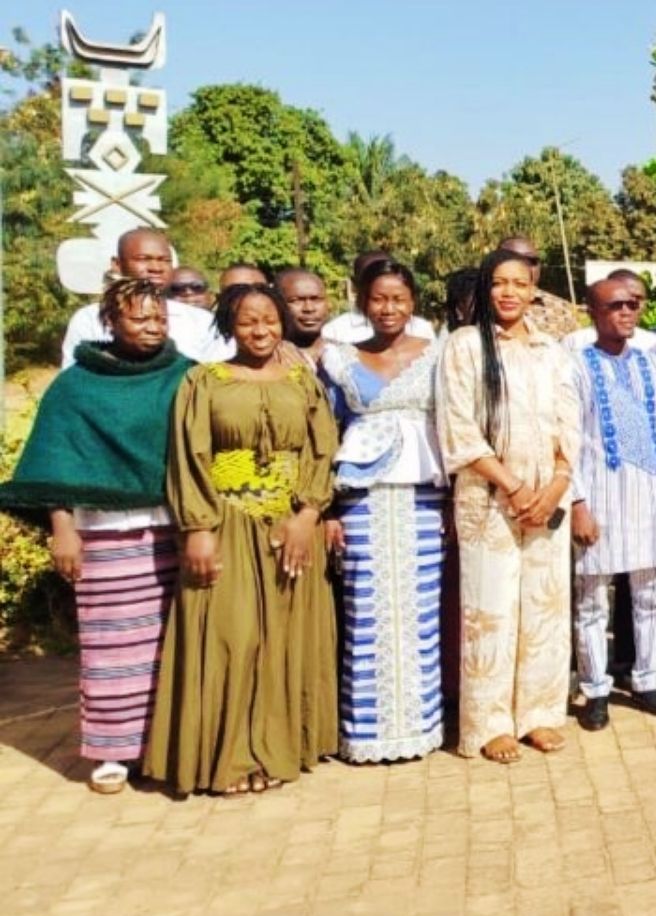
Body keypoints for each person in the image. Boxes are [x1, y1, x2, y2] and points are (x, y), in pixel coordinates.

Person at [144, 283, 340, 795]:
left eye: (270, 320)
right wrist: (199, 529)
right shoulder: (202, 382)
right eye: (248, 321)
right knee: (234, 639)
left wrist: (306, 516)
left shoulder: (304, 382)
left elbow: (322, 453)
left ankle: (278, 751)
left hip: (292, 528)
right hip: (227, 524)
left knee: (283, 639)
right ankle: (228, 757)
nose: (261, 330)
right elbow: (189, 459)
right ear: (229, 325)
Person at [0, 278, 195, 794]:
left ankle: (170, 744)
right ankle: (112, 753)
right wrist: (62, 530)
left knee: (175, 643)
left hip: (176, 530)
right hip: (104, 537)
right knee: (113, 646)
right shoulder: (75, 387)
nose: (152, 327)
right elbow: (55, 460)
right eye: (139, 318)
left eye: (160, 318)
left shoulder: (185, 377)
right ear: (111, 321)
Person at [438, 248, 581, 762]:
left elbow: (571, 424)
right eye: (499, 283)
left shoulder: (550, 349)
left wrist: (556, 486)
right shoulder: (465, 347)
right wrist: (515, 488)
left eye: (520, 284)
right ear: (485, 288)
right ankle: (488, 723)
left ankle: (539, 714)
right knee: (492, 609)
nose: (509, 293)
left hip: (546, 501)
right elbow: (459, 428)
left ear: (533, 290)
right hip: (489, 498)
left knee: (545, 607)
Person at [319, 258, 447, 763]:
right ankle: (366, 731)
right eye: (378, 298)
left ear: (413, 302)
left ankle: (421, 725)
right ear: (361, 302)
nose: (388, 308)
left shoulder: (438, 355)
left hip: (423, 495)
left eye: (398, 298)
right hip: (361, 498)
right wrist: (328, 510)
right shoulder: (337, 360)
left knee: (421, 610)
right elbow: (326, 432)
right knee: (365, 608)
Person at [568, 276, 656, 729]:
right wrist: (577, 502)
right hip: (598, 496)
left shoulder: (653, 362)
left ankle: (648, 680)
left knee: (651, 595)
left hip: (650, 497)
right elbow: (567, 439)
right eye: (615, 305)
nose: (627, 312)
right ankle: (595, 689)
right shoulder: (575, 366)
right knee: (592, 598)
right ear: (593, 312)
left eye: (633, 305)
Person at [62, 227, 223, 366]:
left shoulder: (201, 321)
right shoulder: (89, 319)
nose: (156, 268)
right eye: (143, 259)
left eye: (164, 260)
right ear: (117, 265)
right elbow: (74, 379)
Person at [322, 250, 437, 344]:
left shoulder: (421, 330)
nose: (388, 310)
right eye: (369, 279)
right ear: (355, 283)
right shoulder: (335, 331)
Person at [497, 236, 581, 339]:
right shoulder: (477, 305)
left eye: (531, 261)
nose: (524, 267)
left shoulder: (561, 309)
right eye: (514, 260)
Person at [276, 268, 332, 369]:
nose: (309, 308)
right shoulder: (268, 356)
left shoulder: (349, 350)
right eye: (296, 301)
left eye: (316, 299)